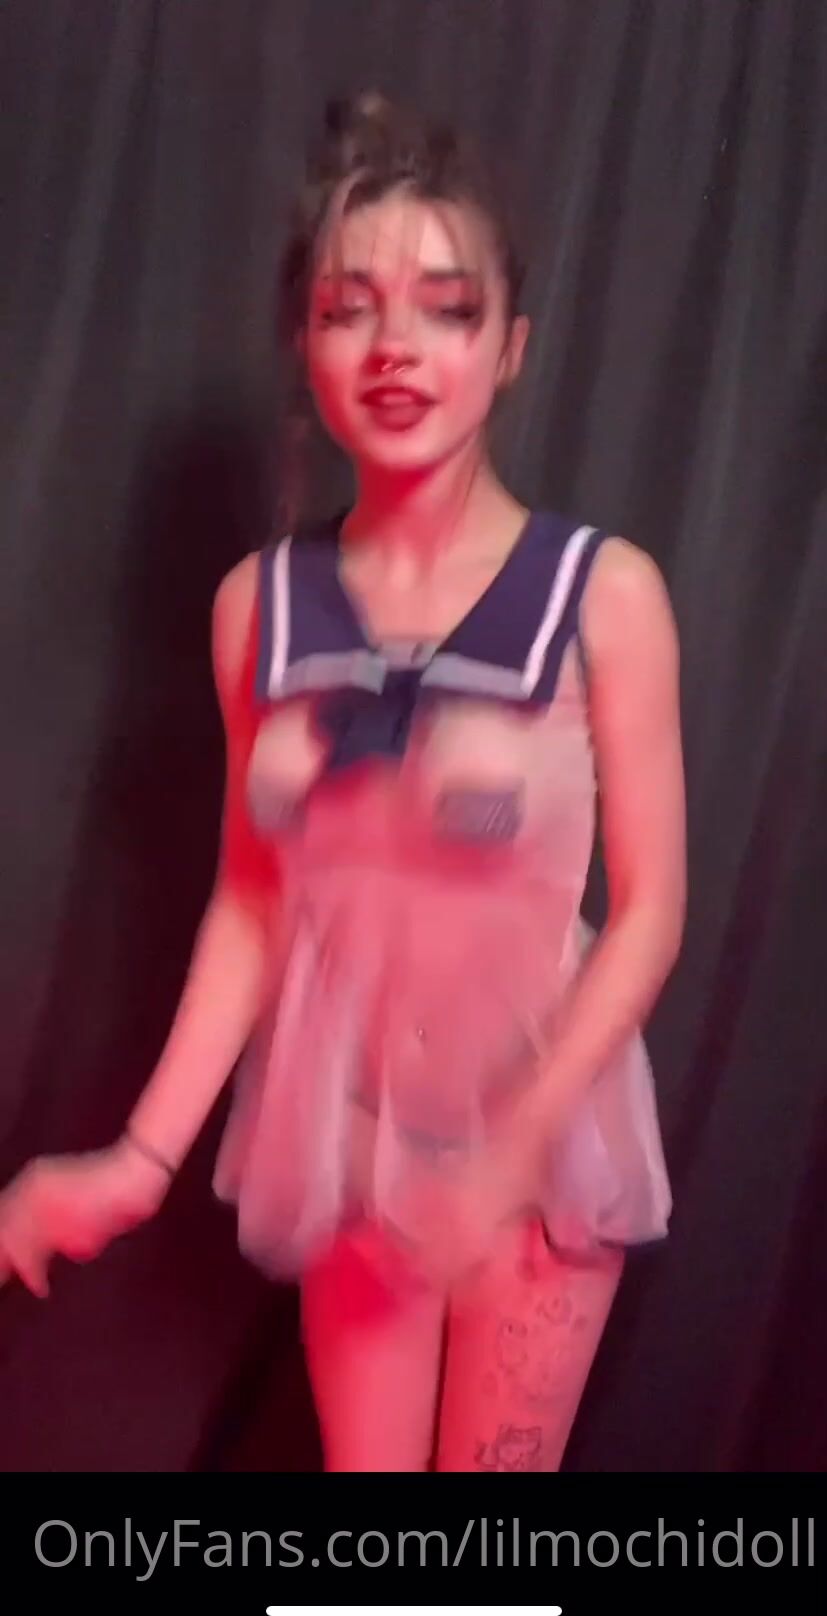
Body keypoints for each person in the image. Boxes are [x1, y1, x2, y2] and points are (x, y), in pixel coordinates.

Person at [0, 94, 686, 1473]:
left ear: (511, 346)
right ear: (306, 343)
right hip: (348, 1140)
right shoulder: (257, 609)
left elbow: (652, 912)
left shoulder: (602, 594)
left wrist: (514, 1149)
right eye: (349, 308)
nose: (395, 347)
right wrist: (135, 1163)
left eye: (446, 308)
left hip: (536, 1148)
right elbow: (253, 907)